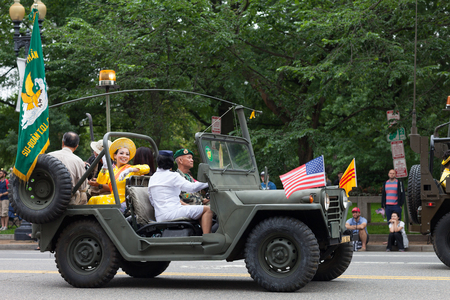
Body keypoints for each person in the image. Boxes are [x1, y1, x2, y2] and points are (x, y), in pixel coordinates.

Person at [148, 150, 213, 234]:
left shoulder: (152, 178)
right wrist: (210, 181)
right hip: (173, 213)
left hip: (159, 216)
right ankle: (208, 239)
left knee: (199, 211)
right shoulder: (173, 176)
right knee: (208, 210)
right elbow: (192, 187)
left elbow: (152, 200)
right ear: (171, 163)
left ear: (158, 162)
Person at [89, 138, 149, 211]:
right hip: (114, 198)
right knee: (93, 199)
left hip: (124, 201)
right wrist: (104, 167)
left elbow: (146, 168)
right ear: (115, 156)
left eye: (127, 154)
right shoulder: (111, 170)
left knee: (100, 201)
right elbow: (100, 181)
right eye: (121, 153)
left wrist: (130, 170)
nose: (124, 156)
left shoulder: (131, 169)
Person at [48, 132, 88, 205]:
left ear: (63, 143)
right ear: (76, 146)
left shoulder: (49, 156)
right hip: (68, 199)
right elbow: (83, 187)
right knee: (83, 193)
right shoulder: (78, 161)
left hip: (47, 196)